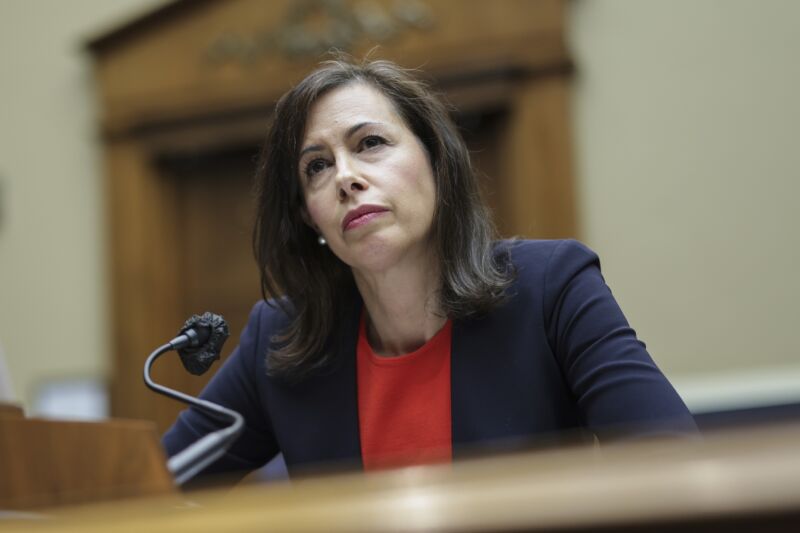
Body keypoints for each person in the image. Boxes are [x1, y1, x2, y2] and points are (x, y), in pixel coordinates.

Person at [163, 58, 696, 480]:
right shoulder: (279, 340)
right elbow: (150, 488)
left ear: (437, 163)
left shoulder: (551, 286)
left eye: (370, 143)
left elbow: (671, 462)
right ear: (310, 216)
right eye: (317, 166)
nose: (346, 177)